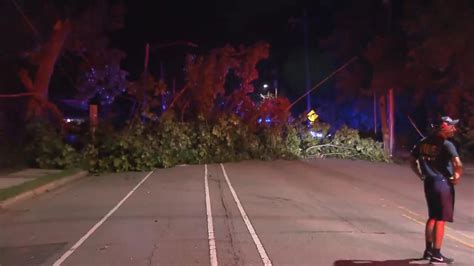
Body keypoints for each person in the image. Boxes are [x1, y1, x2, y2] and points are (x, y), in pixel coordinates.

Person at [410, 116, 463, 264]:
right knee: (440, 219)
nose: (454, 129)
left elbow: (411, 161)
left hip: (429, 182)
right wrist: (457, 176)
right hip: (442, 184)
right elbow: (458, 164)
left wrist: (420, 174)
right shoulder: (447, 145)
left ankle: (428, 250)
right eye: (451, 126)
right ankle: (437, 254)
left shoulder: (422, 142)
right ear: (443, 127)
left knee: (432, 216)